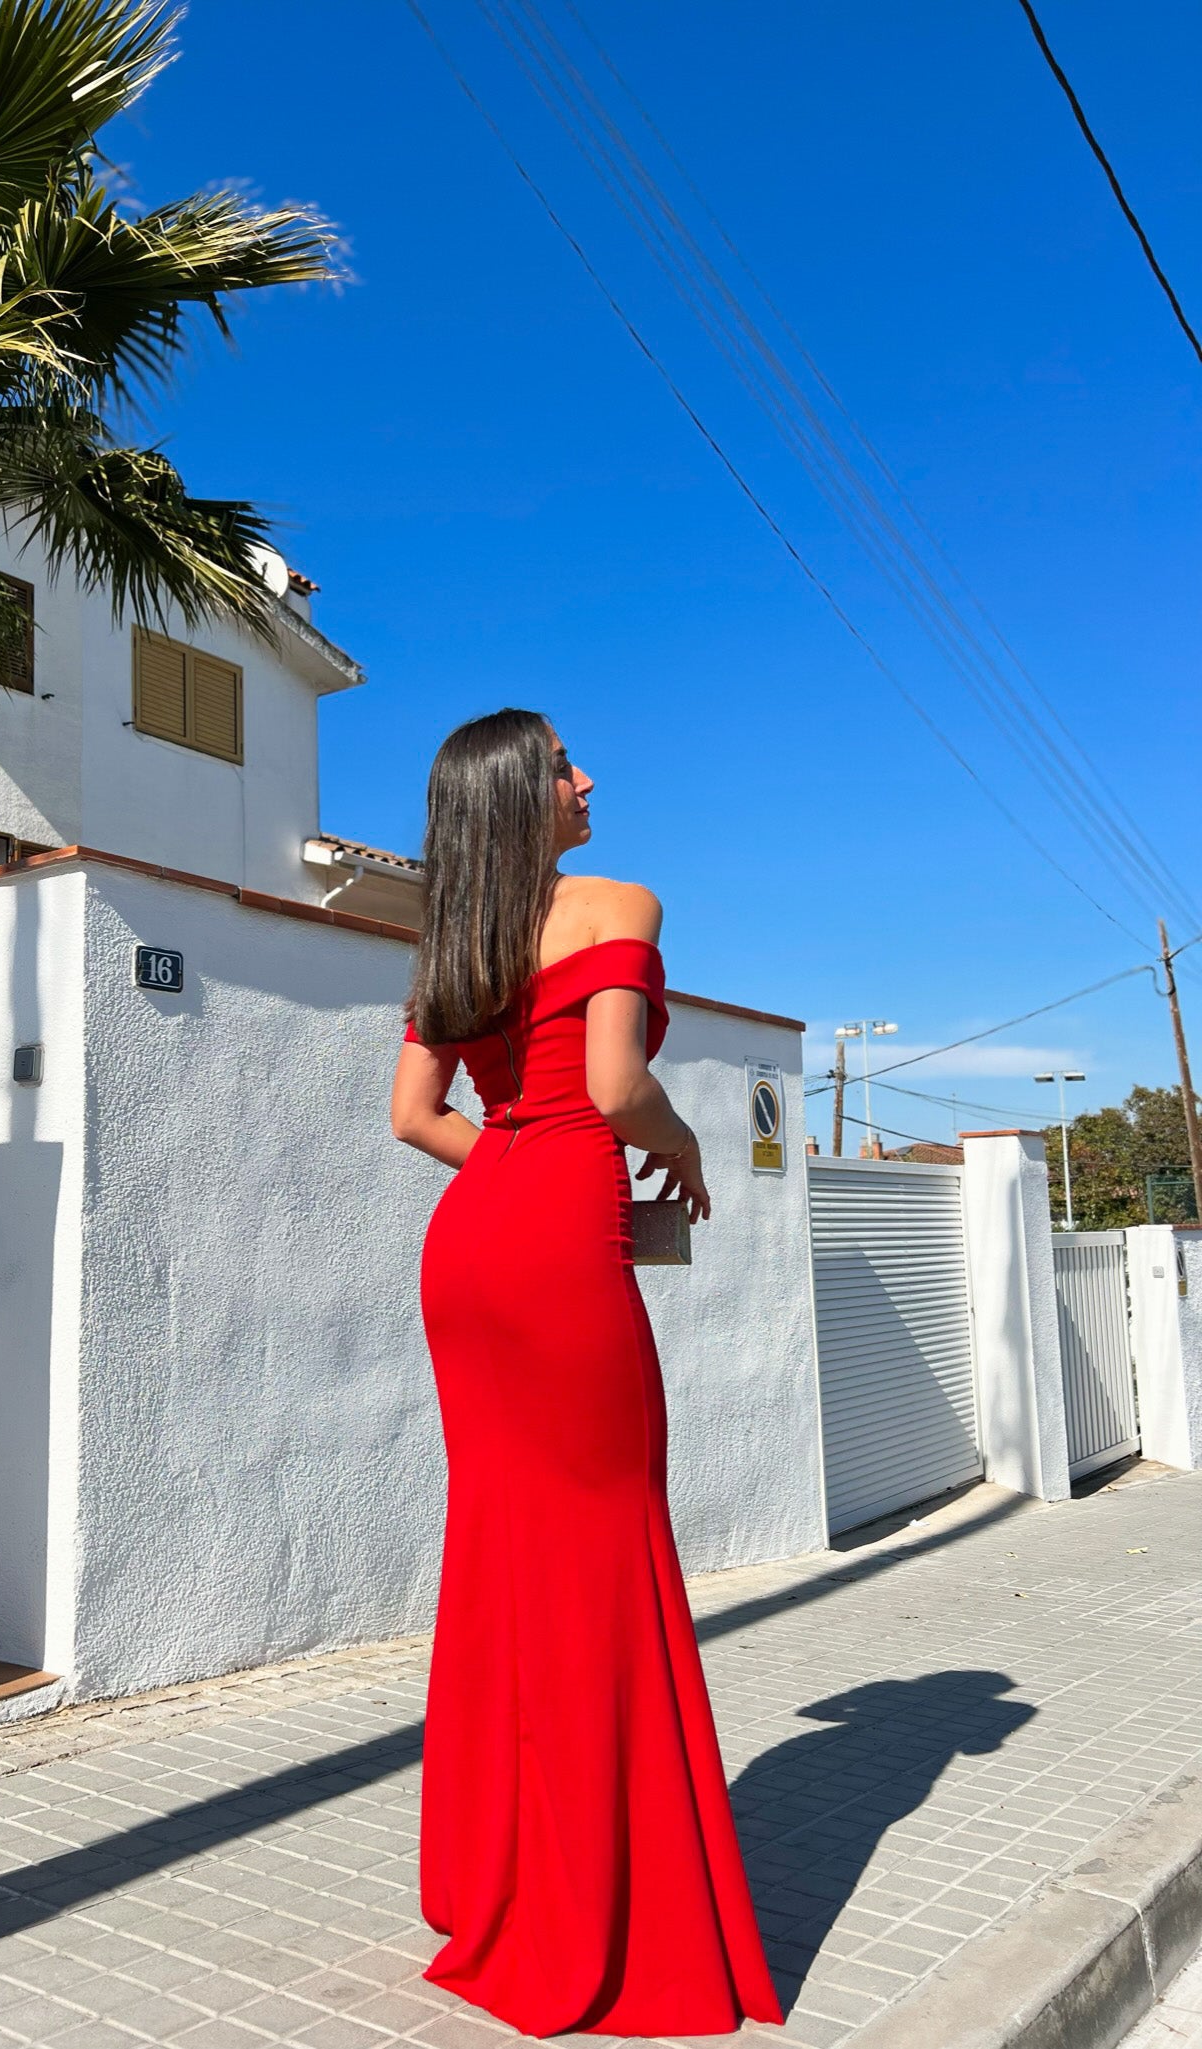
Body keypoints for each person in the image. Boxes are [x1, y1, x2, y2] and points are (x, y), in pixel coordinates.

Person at [391, 708, 783, 2038]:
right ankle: (613, 1909)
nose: (588, 777)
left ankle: (494, 1871)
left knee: (503, 1552)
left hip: (470, 1249)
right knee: (610, 1545)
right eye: (564, 765)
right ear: (521, 795)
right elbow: (615, 1082)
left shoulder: (451, 939)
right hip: (560, 1244)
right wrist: (683, 1154)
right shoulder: (617, 899)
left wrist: (517, 1164)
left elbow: (413, 1116)